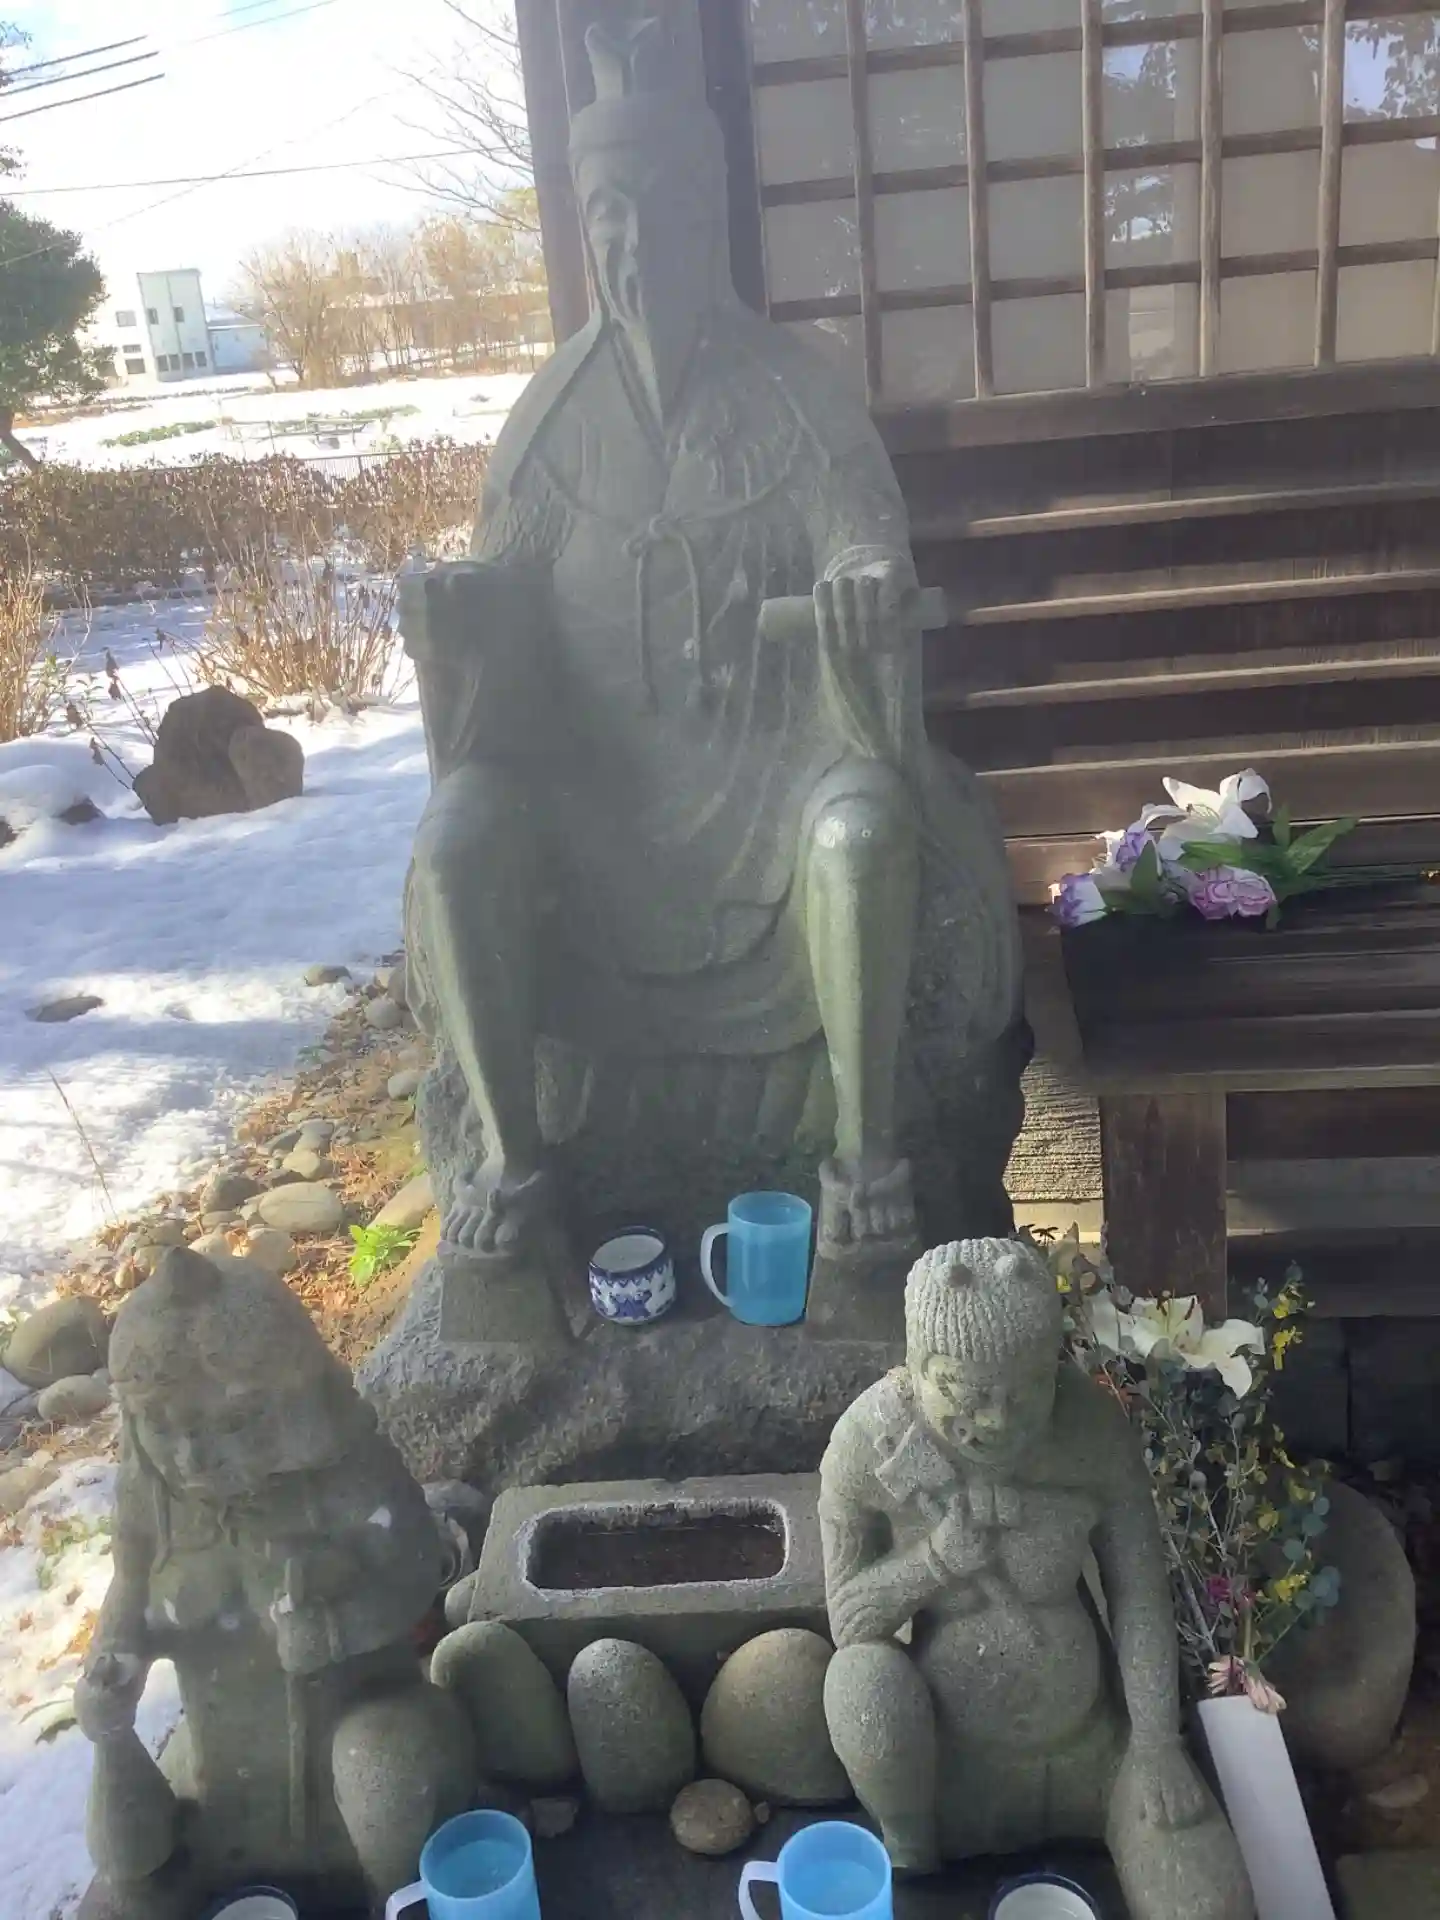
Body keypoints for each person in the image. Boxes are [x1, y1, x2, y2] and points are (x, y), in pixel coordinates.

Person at [400, 15, 1023, 1308]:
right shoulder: (550, 423)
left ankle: (866, 1170)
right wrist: (460, 614)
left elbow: (866, 542)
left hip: (773, 783)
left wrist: (861, 589)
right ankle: (517, 1172)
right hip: (603, 803)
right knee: (459, 838)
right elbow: (504, 599)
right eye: (609, 217)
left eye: (662, 214)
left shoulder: (800, 396)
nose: (635, 246)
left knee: (862, 833)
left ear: (710, 220)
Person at [819, 1239, 1254, 1919]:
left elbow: (1139, 1594)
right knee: (859, 1683)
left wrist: (1155, 1744)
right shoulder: (867, 1442)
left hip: (1094, 1754)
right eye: (969, 1395)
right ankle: (913, 1845)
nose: (997, 1420)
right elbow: (848, 1623)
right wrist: (935, 1561)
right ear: (919, 1365)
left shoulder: (1090, 1433)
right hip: (946, 1767)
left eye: (1026, 1393)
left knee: (1208, 1909)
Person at [75, 1249, 474, 1919]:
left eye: (231, 1424)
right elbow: (131, 1583)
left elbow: (413, 1566)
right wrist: (113, 1660)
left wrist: (337, 1629)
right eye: (161, 1428)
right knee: (125, 1844)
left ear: (294, 1402)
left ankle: (392, 1898)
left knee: (377, 1773)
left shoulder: (345, 1471)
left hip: (368, 1731)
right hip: (228, 1774)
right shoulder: (156, 1496)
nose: (192, 1457)